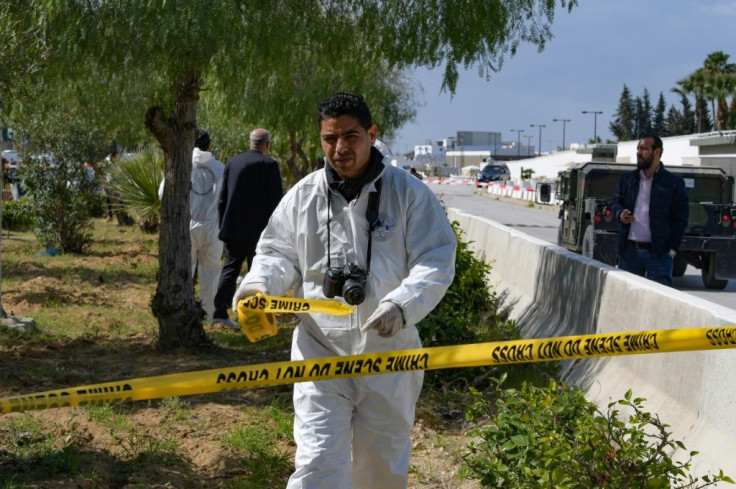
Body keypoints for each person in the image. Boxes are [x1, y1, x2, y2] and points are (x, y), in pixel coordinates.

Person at [232, 92, 457, 488]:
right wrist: (258, 286)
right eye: (329, 139)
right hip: (320, 354)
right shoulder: (302, 197)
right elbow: (276, 253)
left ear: (371, 134)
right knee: (318, 465)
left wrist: (401, 305)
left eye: (351, 136)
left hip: (389, 356)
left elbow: (436, 259)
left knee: (381, 469)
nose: (340, 149)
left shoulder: (408, 195)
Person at [212, 128, 283, 328]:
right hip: (260, 231)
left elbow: (222, 198)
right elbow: (277, 201)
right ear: (267, 145)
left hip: (233, 227)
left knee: (230, 269)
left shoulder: (232, 162)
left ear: (250, 142)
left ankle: (219, 313)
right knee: (257, 272)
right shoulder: (269, 164)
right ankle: (254, 317)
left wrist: (222, 225)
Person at [159, 129, 225, 321]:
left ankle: (182, 315)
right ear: (209, 145)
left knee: (183, 271)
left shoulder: (181, 167)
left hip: (186, 227)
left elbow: (162, 194)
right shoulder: (220, 169)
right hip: (213, 228)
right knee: (211, 273)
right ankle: (210, 316)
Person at [611, 134, 689, 286]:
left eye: (644, 149)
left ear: (657, 152)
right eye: (638, 148)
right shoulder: (627, 179)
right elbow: (615, 203)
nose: (639, 153)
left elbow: (681, 218)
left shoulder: (673, 183)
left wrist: (672, 250)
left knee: (661, 300)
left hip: (659, 254)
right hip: (629, 252)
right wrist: (620, 213)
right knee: (626, 300)